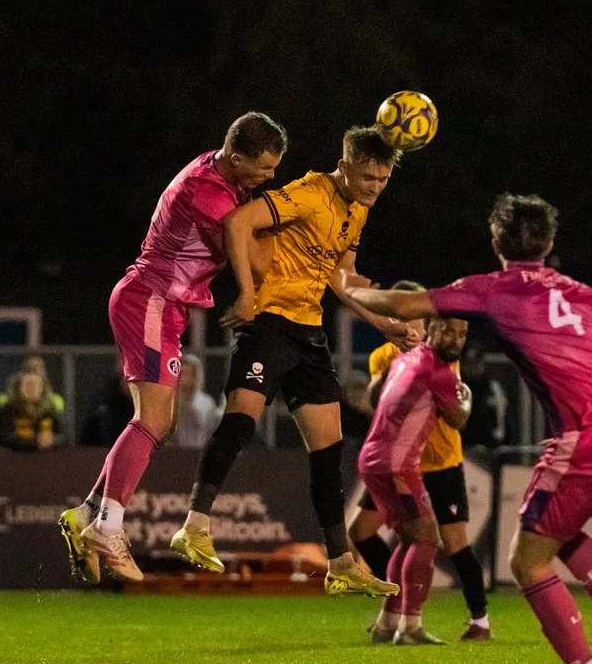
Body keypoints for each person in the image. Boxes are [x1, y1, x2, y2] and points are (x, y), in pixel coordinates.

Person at [351, 194, 592, 664]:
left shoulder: (495, 289)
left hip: (582, 436)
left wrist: (348, 289)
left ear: (496, 242)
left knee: (526, 560)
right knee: (559, 536)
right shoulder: (583, 295)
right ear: (548, 243)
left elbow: (402, 304)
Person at [169, 125, 411, 598]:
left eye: (382, 181)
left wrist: (383, 323)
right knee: (239, 423)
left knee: (328, 454)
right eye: (367, 178)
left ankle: (340, 562)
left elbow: (342, 280)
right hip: (270, 323)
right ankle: (193, 525)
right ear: (344, 167)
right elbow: (238, 222)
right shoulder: (308, 193)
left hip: (308, 332)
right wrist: (245, 293)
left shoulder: (356, 211)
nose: (374, 188)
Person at [60, 111, 287, 584]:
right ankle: (108, 528)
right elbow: (256, 253)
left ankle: (87, 514)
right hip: (152, 301)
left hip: (160, 305)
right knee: (154, 420)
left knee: (158, 424)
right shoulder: (208, 194)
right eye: (264, 169)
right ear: (235, 157)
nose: (270, 178)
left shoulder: (218, 172)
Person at [352, 291, 491, 642]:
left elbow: (374, 396)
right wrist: (468, 398)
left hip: (376, 460)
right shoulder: (439, 371)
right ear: (431, 330)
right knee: (429, 538)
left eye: (461, 334)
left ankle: (388, 620)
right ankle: (411, 625)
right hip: (399, 465)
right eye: (448, 332)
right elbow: (458, 419)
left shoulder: (403, 358)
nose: (456, 340)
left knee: (410, 538)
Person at [0, 357, 63, 451]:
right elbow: (3, 437)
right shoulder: (8, 410)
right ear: (19, 387)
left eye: (36, 384)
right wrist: (35, 442)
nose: (32, 388)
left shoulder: (48, 411)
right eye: (28, 384)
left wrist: (53, 440)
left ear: (42, 389)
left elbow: (62, 437)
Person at [168, 354, 221, 450]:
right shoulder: (170, 402)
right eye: (181, 374)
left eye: (187, 374)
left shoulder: (206, 403)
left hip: (199, 454)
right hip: (176, 457)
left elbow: (212, 432)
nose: (184, 378)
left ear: (195, 376)